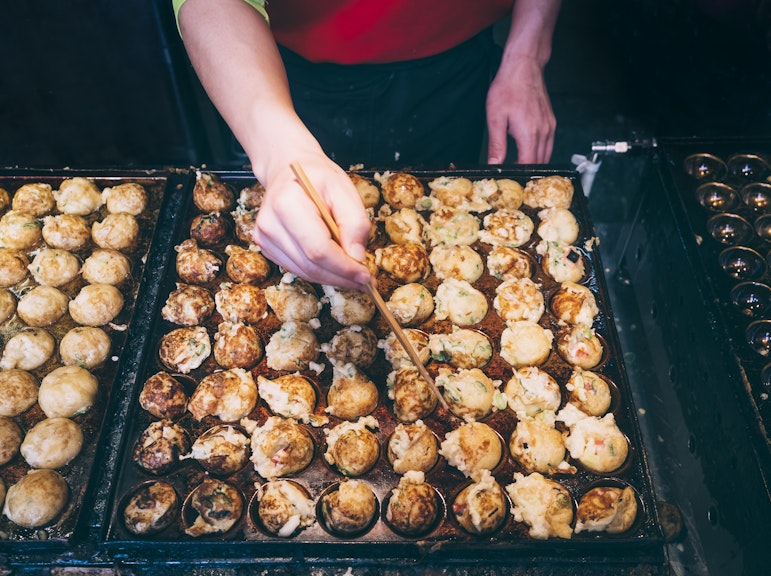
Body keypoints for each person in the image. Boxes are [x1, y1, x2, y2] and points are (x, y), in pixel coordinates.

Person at [173, 0, 562, 290]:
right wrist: (281, 151)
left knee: (444, 212)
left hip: (456, 60)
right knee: (302, 235)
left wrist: (527, 54)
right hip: (276, 68)